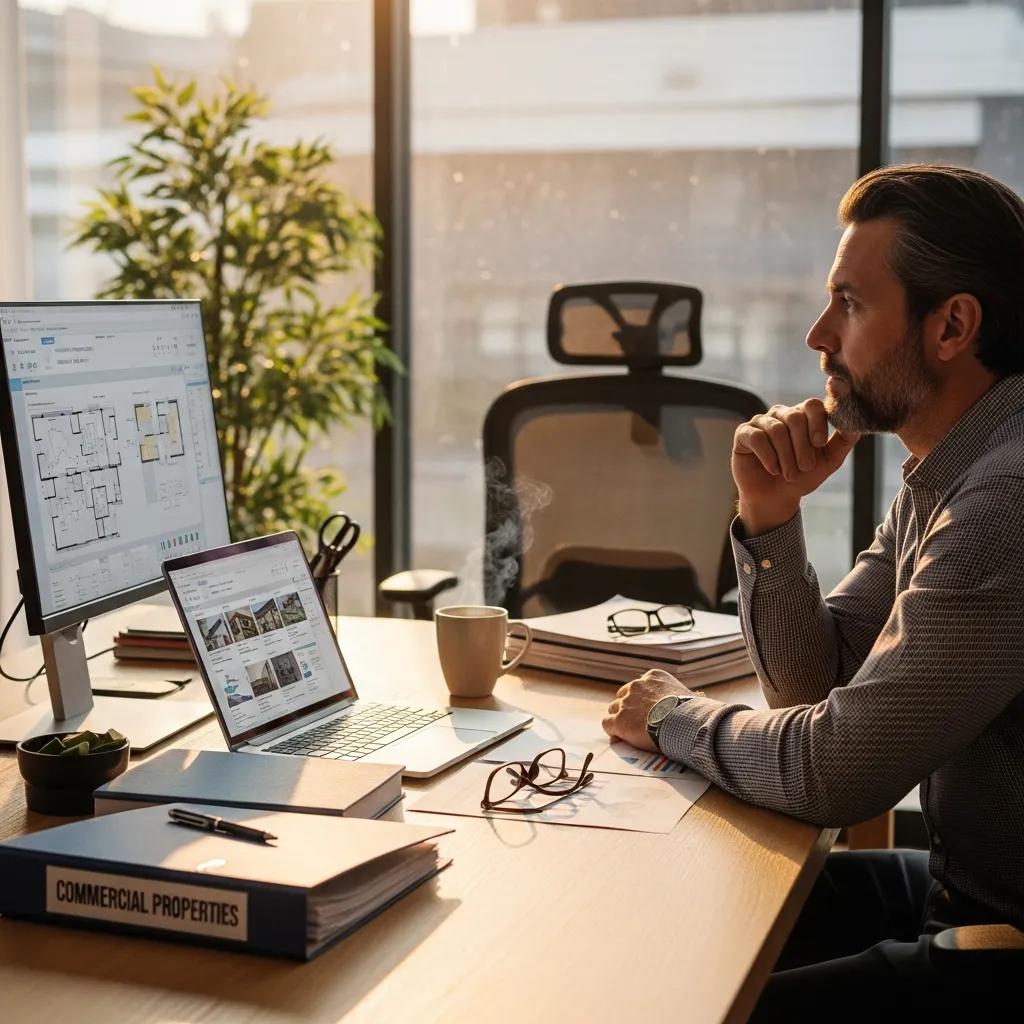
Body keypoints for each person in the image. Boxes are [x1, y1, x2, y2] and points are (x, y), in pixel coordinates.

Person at [602, 164, 1024, 1018]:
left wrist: (673, 715)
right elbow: (811, 688)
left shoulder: (1003, 501)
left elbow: (836, 771)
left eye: (851, 304)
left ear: (953, 326)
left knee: (692, 1000)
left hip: (1008, 937)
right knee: (682, 926)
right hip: (965, 892)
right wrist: (768, 513)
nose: (817, 334)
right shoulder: (948, 474)